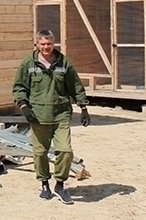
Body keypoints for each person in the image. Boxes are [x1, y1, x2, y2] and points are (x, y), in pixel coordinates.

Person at [12, 29, 90, 204]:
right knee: (40, 153)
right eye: (43, 44)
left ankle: (60, 185)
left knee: (65, 151)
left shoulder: (64, 63)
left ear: (54, 44)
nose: (46, 47)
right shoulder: (28, 64)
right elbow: (19, 87)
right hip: (38, 116)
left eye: (49, 44)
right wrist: (24, 107)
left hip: (61, 114)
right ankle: (45, 184)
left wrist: (83, 107)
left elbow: (75, 86)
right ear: (37, 45)